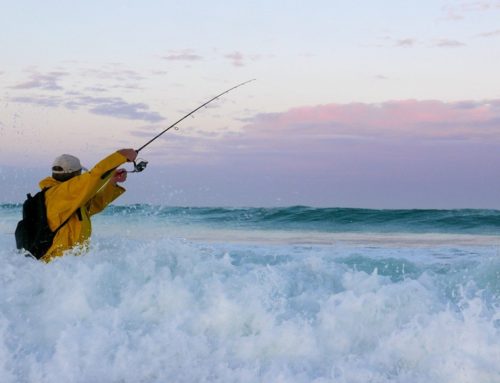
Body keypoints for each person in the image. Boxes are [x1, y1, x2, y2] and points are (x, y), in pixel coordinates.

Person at [37, 148, 137, 262]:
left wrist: (112, 182)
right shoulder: (62, 194)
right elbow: (94, 176)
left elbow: (93, 205)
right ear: (75, 175)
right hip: (56, 265)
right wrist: (121, 156)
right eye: (80, 175)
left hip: (67, 266)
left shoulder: (67, 199)